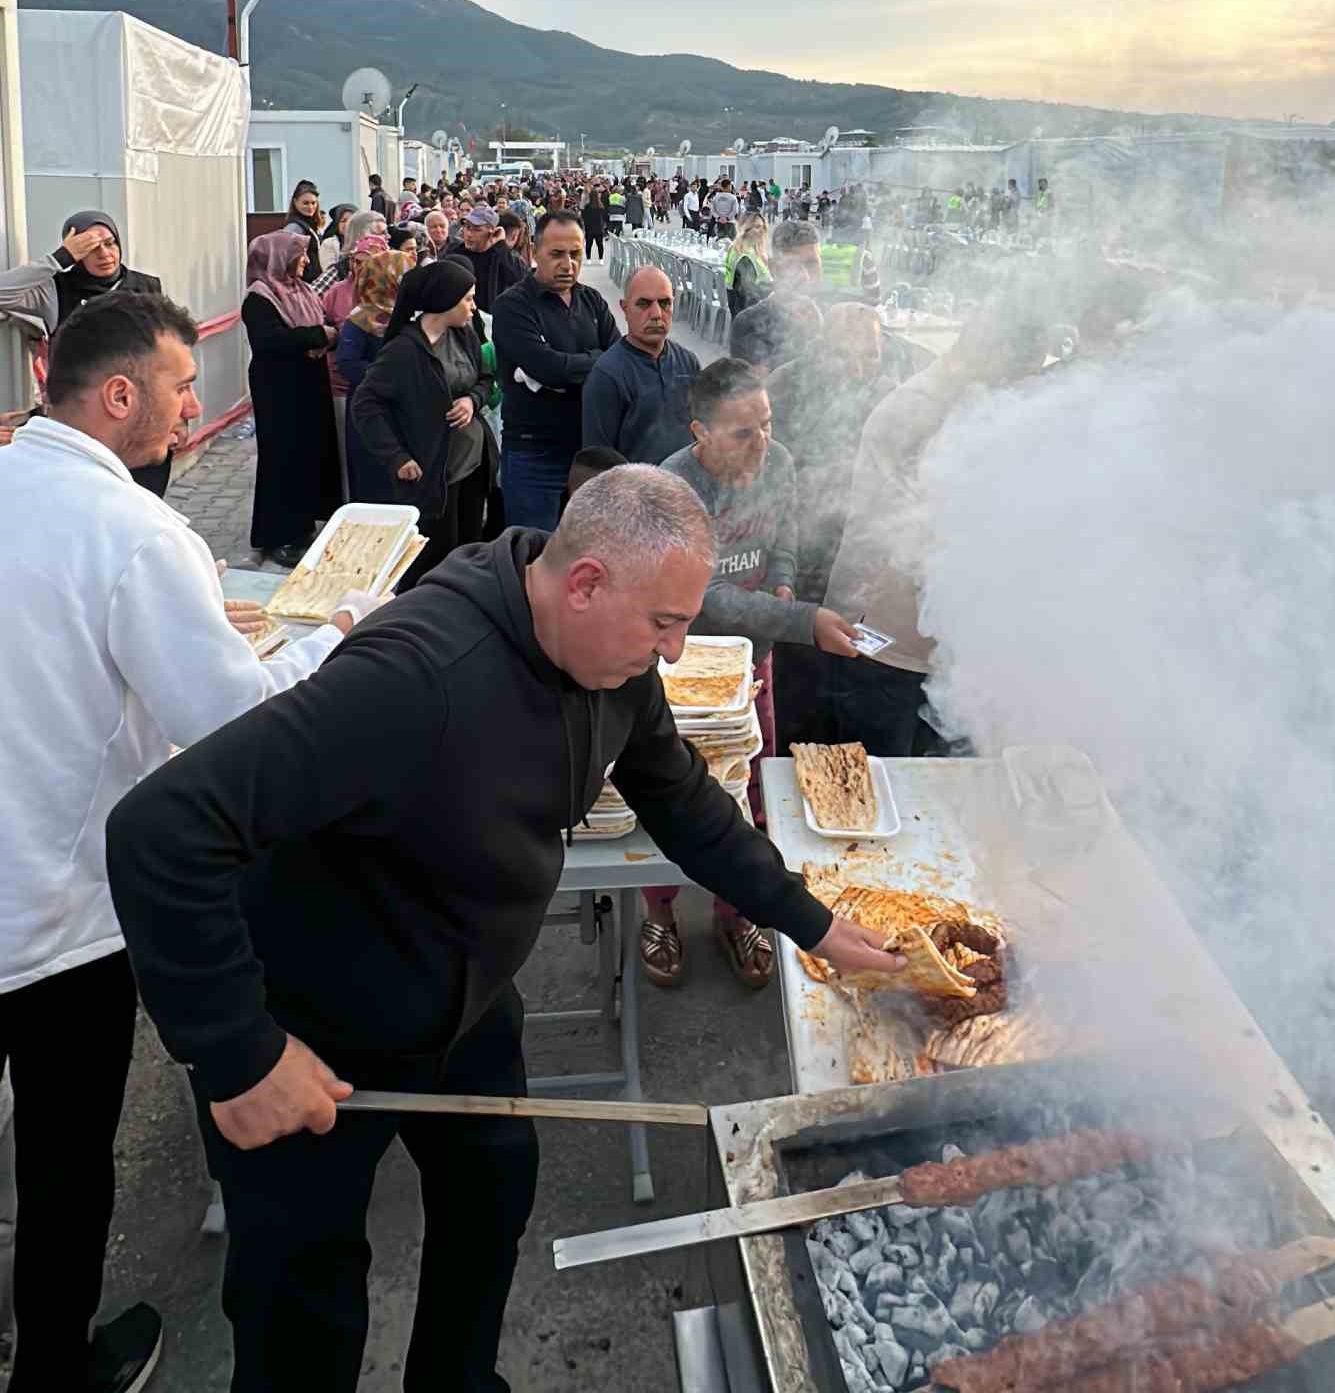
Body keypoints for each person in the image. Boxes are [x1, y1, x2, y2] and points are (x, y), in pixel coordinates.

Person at [104, 465, 900, 1393]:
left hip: (467, 1003)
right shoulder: (416, 677)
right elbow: (161, 830)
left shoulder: (613, 662)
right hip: (315, 1027)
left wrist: (812, 921)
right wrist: (236, 1052)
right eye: (664, 625)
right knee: (304, 1300)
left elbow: (680, 797)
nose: (676, 653)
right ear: (587, 582)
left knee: (491, 1193)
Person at [0, 290, 376, 1393]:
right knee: (66, 1161)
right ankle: (53, 1369)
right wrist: (334, 641)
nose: (191, 406)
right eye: (175, 387)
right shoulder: (134, 530)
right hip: (57, 916)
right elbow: (231, 724)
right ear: (119, 395)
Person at [648, 360, 862, 990]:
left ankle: (738, 912)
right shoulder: (671, 489)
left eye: (766, 425)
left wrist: (786, 585)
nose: (761, 443)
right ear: (700, 431)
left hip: (758, 655)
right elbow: (706, 598)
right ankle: (657, 909)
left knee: (748, 790)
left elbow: (785, 538)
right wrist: (800, 617)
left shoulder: (781, 462)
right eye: (743, 433)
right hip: (685, 666)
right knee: (668, 789)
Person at [824, 309, 1050, 755]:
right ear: (988, 357)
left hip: (944, 642)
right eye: (1019, 377)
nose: (1019, 392)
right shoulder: (920, 413)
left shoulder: (969, 403)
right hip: (888, 638)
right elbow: (894, 532)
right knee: (881, 773)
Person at [767, 303, 928, 744]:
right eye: (845, 354)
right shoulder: (784, 386)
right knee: (798, 691)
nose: (858, 368)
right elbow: (765, 476)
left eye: (869, 355)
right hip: (801, 560)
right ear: (821, 350)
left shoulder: (895, 400)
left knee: (855, 685)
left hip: (863, 567)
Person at [0, 209, 169, 494]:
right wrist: (58, 259)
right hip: (83, 420)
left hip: (138, 413)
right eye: (90, 248)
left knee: (142, 499)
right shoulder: (56, 291)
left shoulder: (146, 286)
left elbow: (165, 351)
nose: (105, 254)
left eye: (110, 243)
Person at [352, 260, 497, 587]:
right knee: (433, 559)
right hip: (434, 473)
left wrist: (472, 400)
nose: (474, 307)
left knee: (470, 550)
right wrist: (396, 456)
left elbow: (486, 379)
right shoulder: (404, 350)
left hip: (472, 463)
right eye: (468, 299)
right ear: (445, 300)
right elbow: (366, 404)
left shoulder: (465, 335)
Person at [491, 211, 619, 528]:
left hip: (588, 453)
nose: (568, 264)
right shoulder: (513, 306)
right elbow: (549, 369)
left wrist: (569, 367)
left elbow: (619, 361)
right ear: (535, 252)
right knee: (535, 556)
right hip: (534, 454)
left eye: (575, 254)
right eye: (557, 254)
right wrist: (593, 360)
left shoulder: (592, 301)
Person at [243, 232, 343, 567]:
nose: (304, 261)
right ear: (278, 258)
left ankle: (303, 527)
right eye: (298, 255)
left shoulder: (301, 290)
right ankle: (280, 534)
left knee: (309, 452)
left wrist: (328, 334)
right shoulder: (260, 297)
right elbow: (270, 339)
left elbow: (321, 323)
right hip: (279, 388)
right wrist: (319, 336)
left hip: (309, 382)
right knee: (283, 457)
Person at [582, 266, 699, 463]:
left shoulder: (688, 363)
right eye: (644, 304)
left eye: (664, 303)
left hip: (685, 487)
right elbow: (597, 462)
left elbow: (703, 433)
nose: (656, 314)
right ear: (624, 308)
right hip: (633, 490)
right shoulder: (607, 375)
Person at [335, 249, 413, 503]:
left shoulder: (408, 315)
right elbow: (347, 363)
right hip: (371, 410)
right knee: (375, 484)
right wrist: (388, 379)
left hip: (404, 409)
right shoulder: (360, 320)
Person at [729, 219, 826, 370]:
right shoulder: (749, 324)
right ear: (774, 268)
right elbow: (755, 390)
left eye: (811, 263)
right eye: (792, 265)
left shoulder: (835, 316)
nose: (805, 275)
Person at [445, 205, 529, 312]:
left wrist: (501, 245)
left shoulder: (502, 256)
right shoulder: (454, 251)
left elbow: (521, 279)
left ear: (492, 232)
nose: (469, 234)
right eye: (467, 227)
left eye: (477, 230)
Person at [724, 211, 773, 317]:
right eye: (757, 227)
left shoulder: (737, 248)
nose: (761, 231)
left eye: (763, 227)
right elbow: (748, 295)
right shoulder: (746, 257)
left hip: (740, 312)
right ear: (745, 229)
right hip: (750, 317)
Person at [282, 179, 324, 275]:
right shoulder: (294, 228)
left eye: (313, 203)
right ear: (295, 202)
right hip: (303, 282)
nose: (310, 207)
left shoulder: (314, 226)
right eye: (305, 203)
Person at [319, 204, 355, 273]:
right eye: (343, 221)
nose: (347, 224)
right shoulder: (329, 244)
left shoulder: (364, 242)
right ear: (337, 224)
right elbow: (330, 272)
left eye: (351, 220)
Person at [582, 187, 608, 262]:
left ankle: (588, 259)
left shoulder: (587, 207)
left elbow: (584, 217)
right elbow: (604, 216)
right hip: (599, 228)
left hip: (589, 228)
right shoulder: (601, 207)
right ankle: (601, 259)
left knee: (589, 244)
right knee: (600, 244)